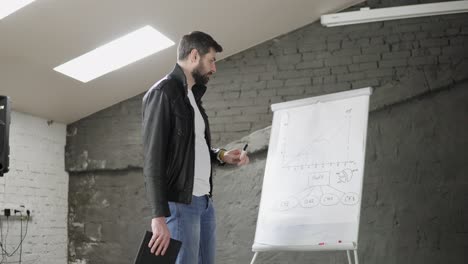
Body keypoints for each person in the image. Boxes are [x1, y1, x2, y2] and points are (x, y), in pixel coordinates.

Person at [142, 31, 249, 264]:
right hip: (181, 203)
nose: (214, 68)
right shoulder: (163, 92)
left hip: (204, 202)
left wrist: (222, 155)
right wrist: (158, 216)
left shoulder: (192, 98)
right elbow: (153, 158)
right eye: (211, 60)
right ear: (194, 56)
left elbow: (192, 147)